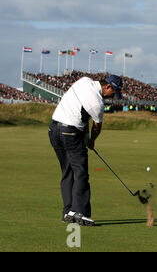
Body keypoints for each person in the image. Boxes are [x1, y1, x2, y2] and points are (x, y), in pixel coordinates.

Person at [48, 75, 123, 226]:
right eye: (113, 92)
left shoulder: (83, 80)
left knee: (67, 171)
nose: (113, 96)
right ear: (107, 87)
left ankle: (67, 213)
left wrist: (85, 136)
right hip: (70, 133)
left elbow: (83, 114)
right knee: (81, 173)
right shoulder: (98, 103)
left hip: (54, 130)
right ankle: (79, 212)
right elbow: (97, 126)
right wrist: (91, 141)